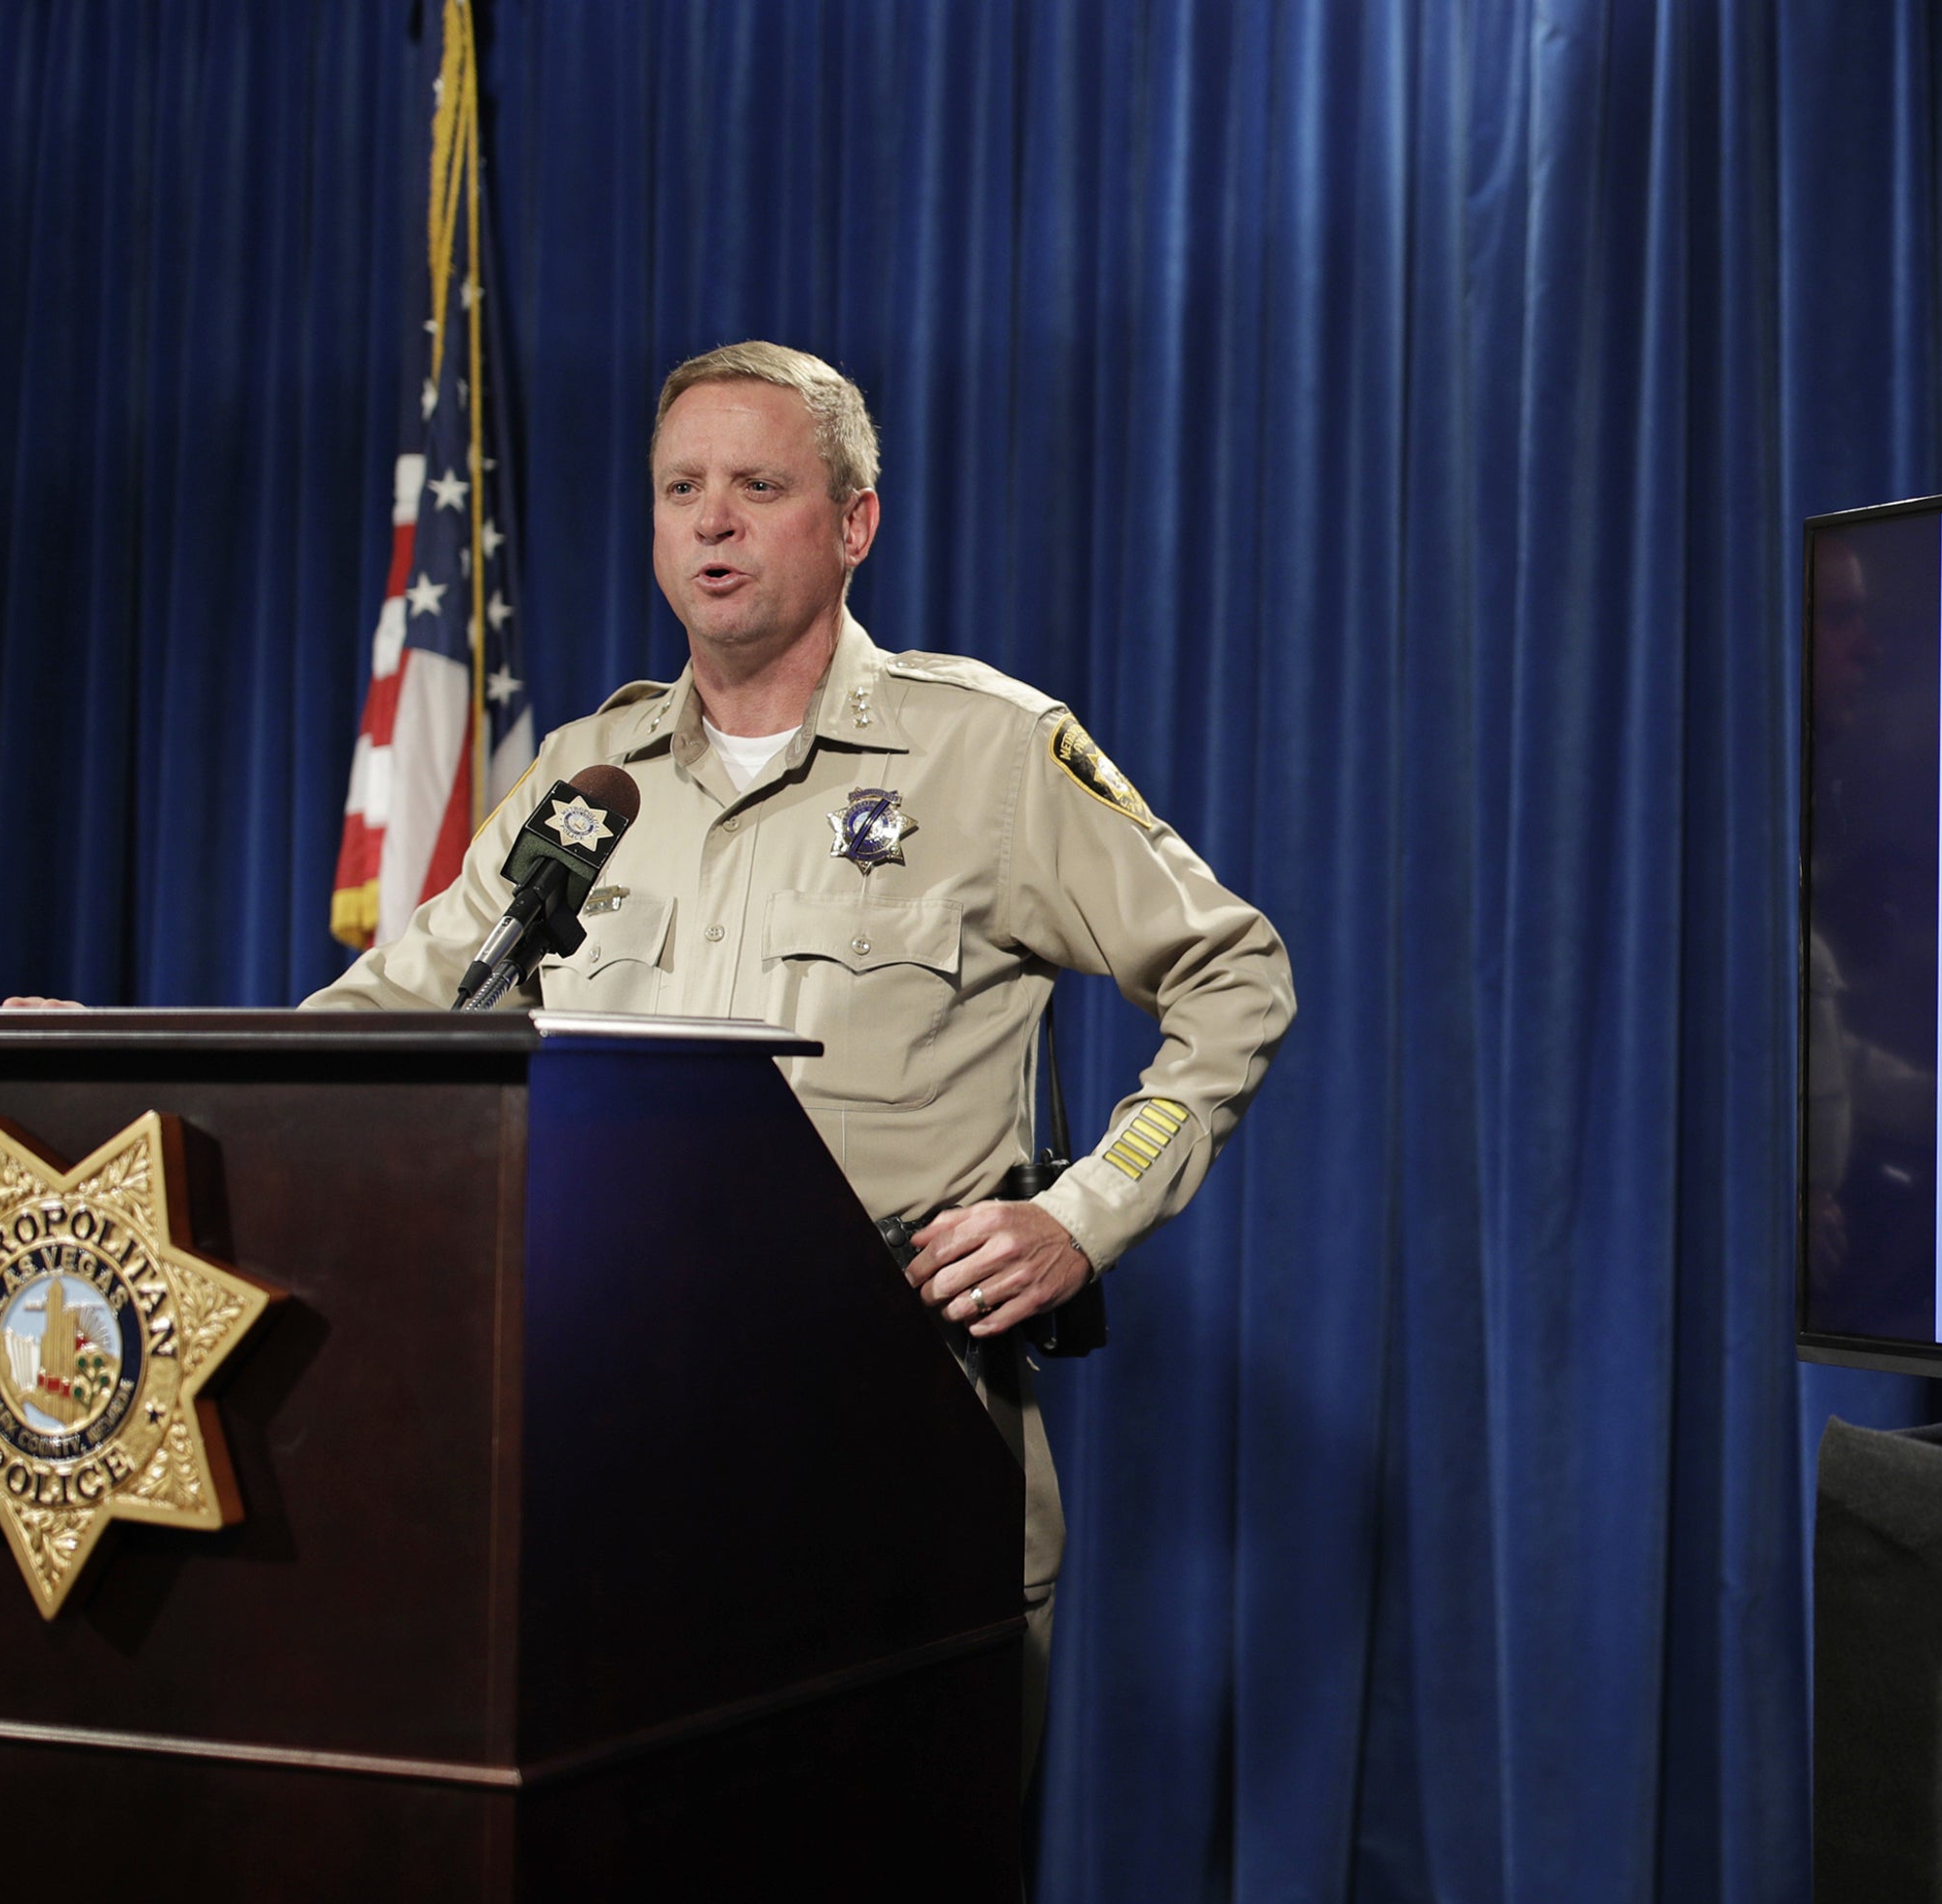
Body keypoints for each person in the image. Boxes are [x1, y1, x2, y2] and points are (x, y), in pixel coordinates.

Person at [306, 340, 1296, 1762]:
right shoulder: (592, 784)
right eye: (681, 487)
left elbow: (1235, 972)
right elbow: (390, 1012)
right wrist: (139, 1076)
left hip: (885, 1443)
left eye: (759, 486)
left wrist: (1084, 1213)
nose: (711, 520)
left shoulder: (990, 755)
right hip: (611, 1454)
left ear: (853, 523)